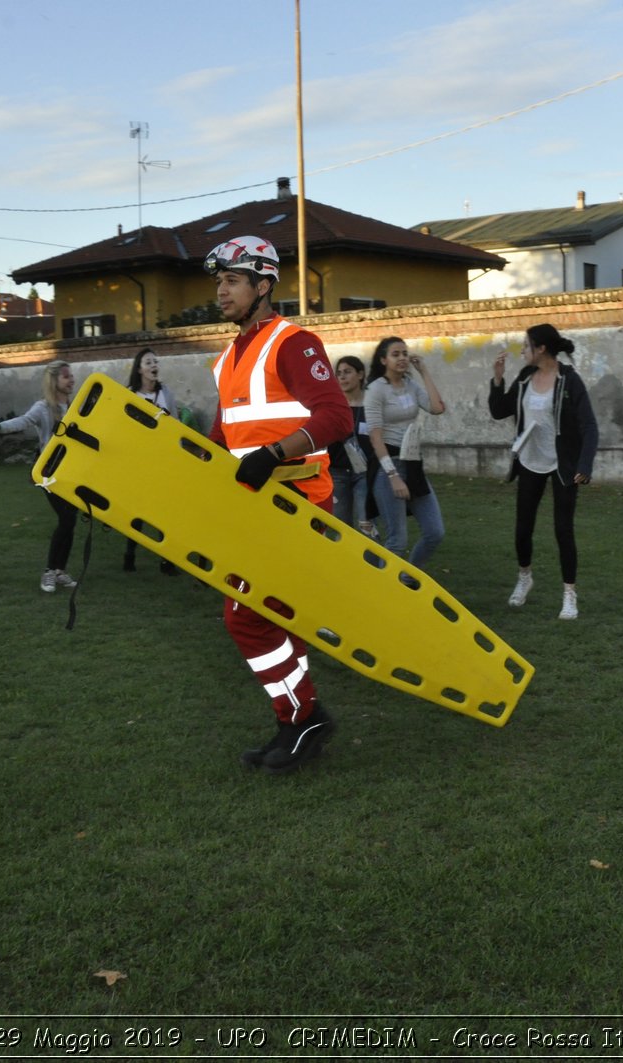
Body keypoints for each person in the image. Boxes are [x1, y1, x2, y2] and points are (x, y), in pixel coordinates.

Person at [204, 235, 352, 773]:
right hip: (253, 509)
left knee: (244, 617)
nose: (221, 292)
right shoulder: (225, 361)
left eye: (232, 281)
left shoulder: (293, 342)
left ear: (263, 285)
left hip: (296, 505)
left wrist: (272, 454)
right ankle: (296, 723)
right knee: (278, 619)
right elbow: (222, 440)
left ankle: (303, 717)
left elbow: (337, 418)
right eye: (219, 281)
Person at [488, 322, 599, 618]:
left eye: (526, 346)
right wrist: (497, 379)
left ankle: (569, 595)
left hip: (562, 466)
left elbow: (589, 426)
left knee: (563, 529)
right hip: (529, 461)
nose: (523, 351)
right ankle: (525, 577)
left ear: (542, 349)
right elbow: (499, 410)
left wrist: (584, 465)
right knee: (523, 527)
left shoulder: (569, 380)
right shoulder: (526, 376)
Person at [0, 360, 81, 593]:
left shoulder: (77, 406)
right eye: (66, 376)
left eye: (71, 376)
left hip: (73, 472)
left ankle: (59, 571)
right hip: (49, 473)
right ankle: (49, 571)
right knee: (66, 519)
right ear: (54, 380)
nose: (72, 380)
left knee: (70, 521)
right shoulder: (43, 408)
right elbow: (23, 421)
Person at [365, 336, 448, 566]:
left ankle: (407, 580)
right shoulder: (375, 390)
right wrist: (393, 477)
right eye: (395, 354)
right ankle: (384, 593)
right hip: (388, 466)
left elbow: (437, 408)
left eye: (404, 353)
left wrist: (424, 372)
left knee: (435, 532)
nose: (402, 358)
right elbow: (375, 436)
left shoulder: (411, 385)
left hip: (413, 463)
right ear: (383, 360)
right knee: (397, 541)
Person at [123, 348, 177, 574]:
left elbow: (175, 424)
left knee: (167, 513)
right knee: (138, 513)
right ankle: (129, 554)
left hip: (163, 460)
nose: (154, 365)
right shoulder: (128, 395)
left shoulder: (165, 392)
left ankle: (168, 561)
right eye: (148, 362)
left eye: (156, 361)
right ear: (139, 369)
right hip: (139, 463)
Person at [328, 354, 378, 539]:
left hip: (365, 473)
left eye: (347, 372)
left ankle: (373, 566)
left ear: (360, 374)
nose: (342, 377)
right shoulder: (332, 406)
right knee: (340, 529)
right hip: (337, 473)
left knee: (367, 524)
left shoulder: (372, 405)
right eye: (339, 373)